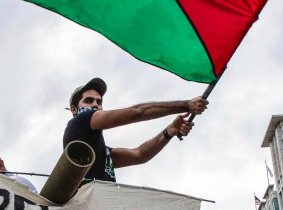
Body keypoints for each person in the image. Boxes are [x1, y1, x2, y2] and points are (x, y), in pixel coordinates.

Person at [62, 77, 206, 183]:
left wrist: (170, 130)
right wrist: (186, 105)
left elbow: (139, 154)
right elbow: (137, 112)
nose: (95, 105)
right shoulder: (80, 121)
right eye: (88, 101)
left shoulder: (100, 151)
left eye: (99, 102)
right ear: (74, 109)